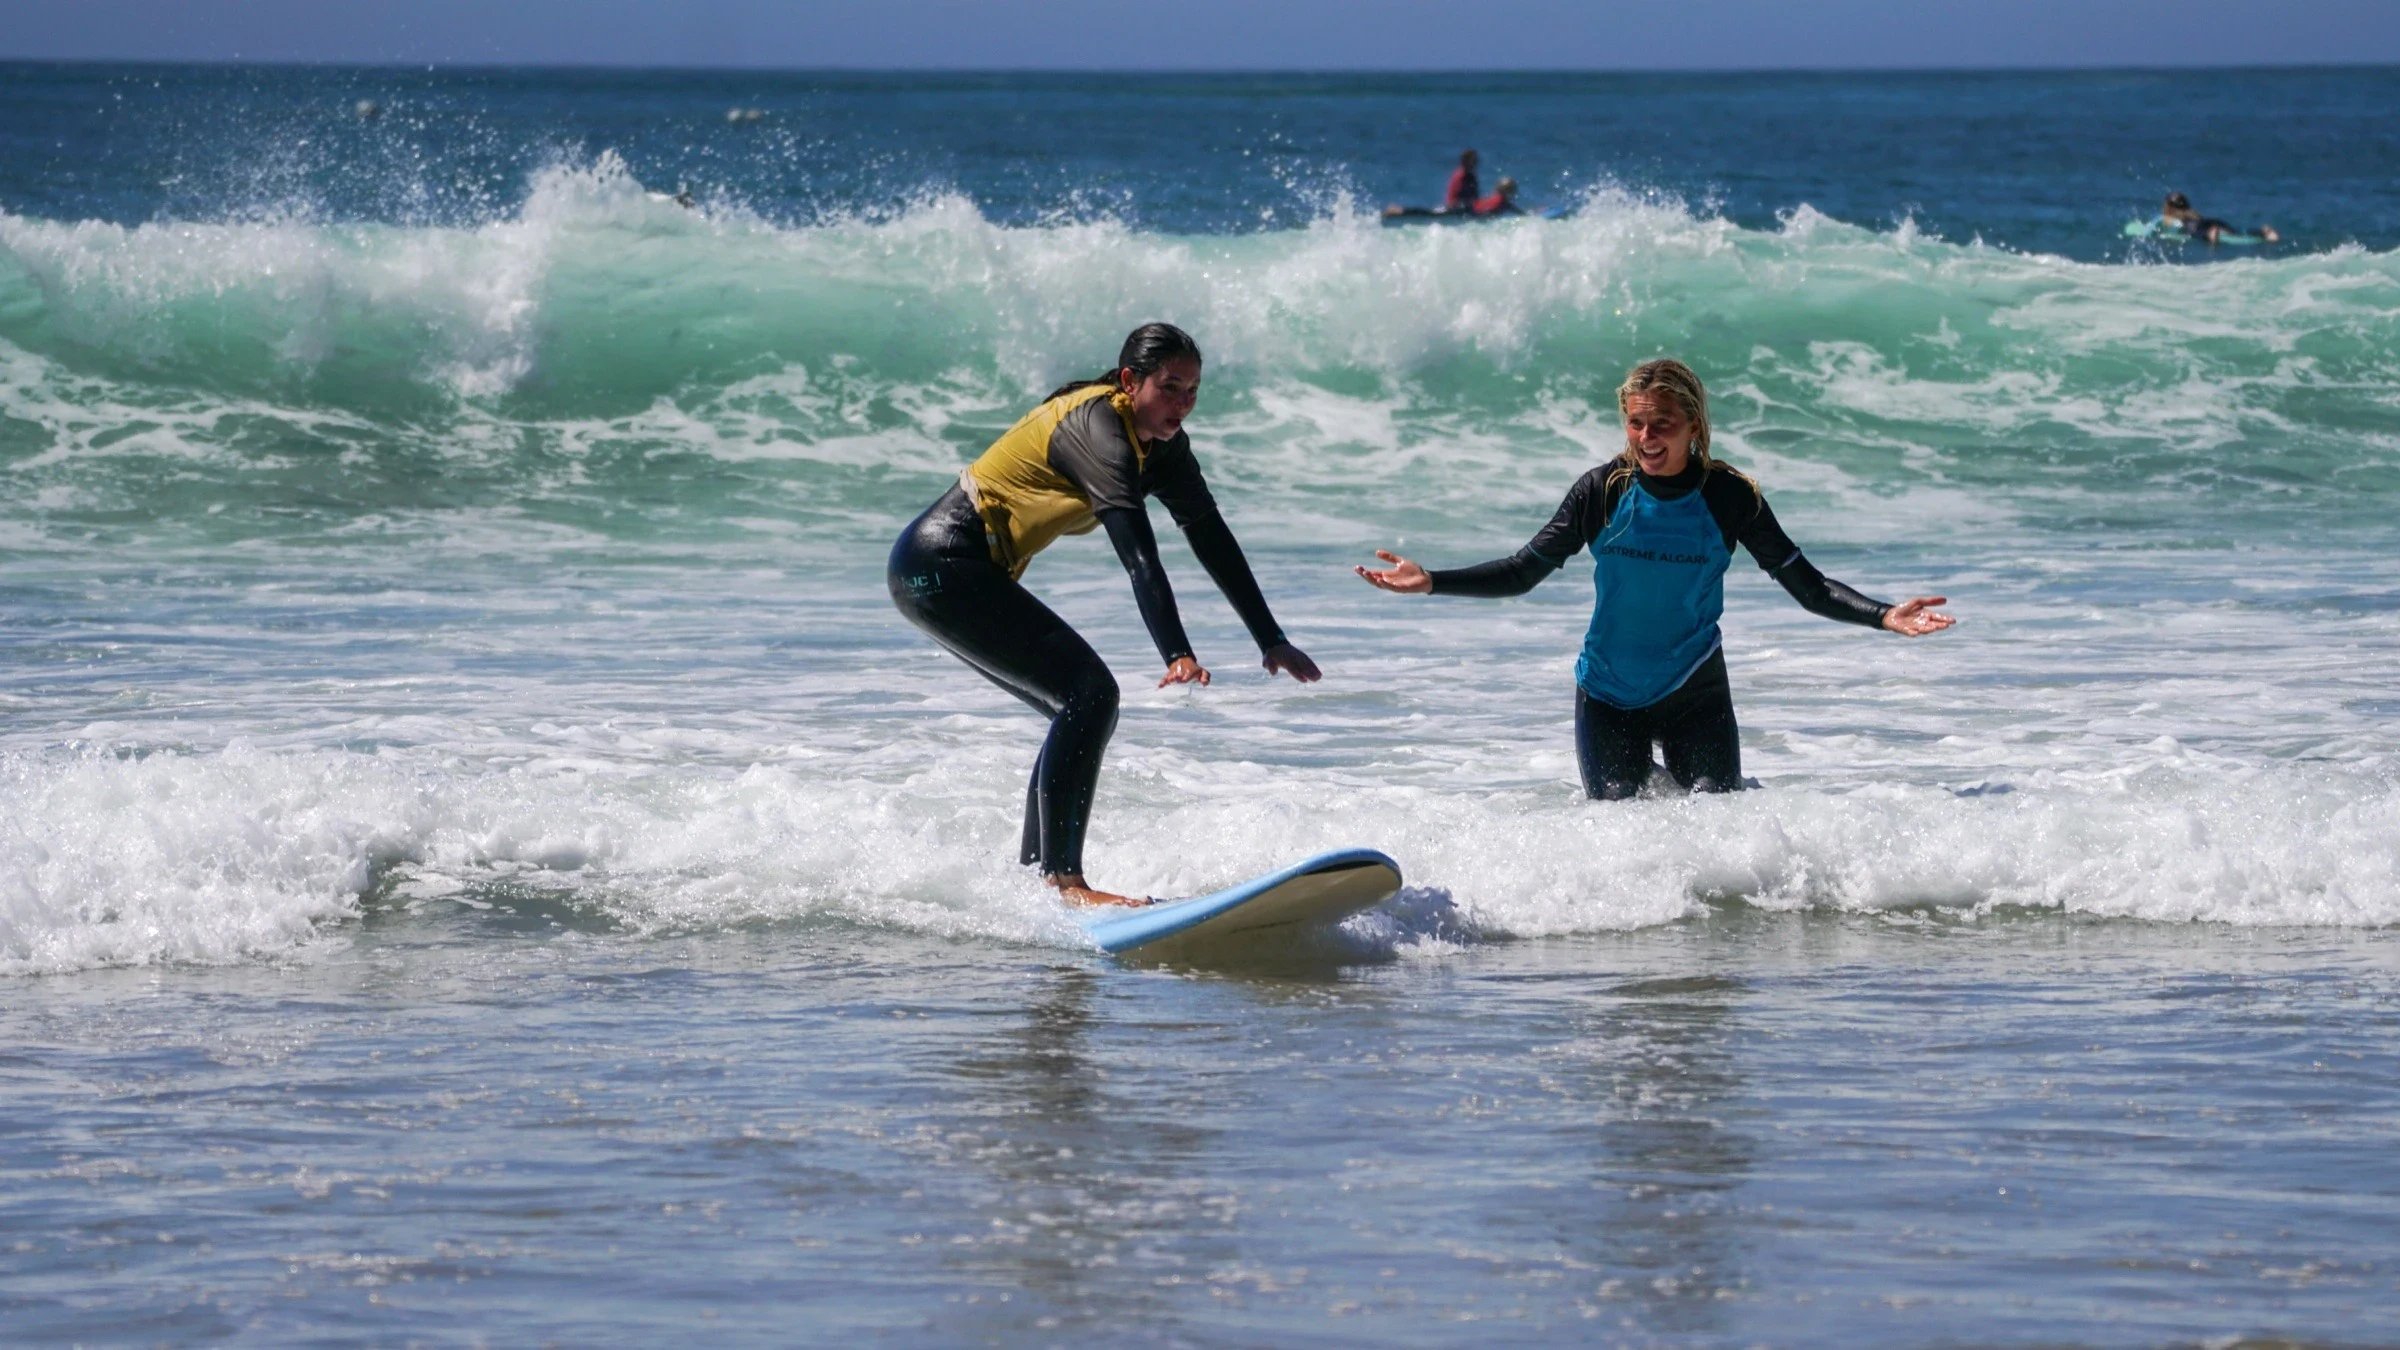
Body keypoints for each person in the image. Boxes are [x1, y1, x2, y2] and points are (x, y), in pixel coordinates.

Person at [1356, 359, 1954, 799]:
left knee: (1718, 824)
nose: (1647, 438)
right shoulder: (1602, 491)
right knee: (1621, 828)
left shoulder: (1728, 496)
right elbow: (1522, 571)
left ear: (1693, 425)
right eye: (1637, 424)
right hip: (1609, 693)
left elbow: (1806, 584)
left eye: (1662, 424)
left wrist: (1881, 614)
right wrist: (1432, 580)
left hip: (1696, 689)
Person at [889, 323, 1321, 906]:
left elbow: (1210, 535)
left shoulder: (1162, 447)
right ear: (1128, 381)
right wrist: (1177, 653)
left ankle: (1038, 882)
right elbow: (1141, 558)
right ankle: (1067, 884)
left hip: (948, 573)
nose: (1183, 404)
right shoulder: (1097, 430)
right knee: (1090, 694)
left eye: (1193, 391)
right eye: (1170, 388)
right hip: (938, 564)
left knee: (1074, 704)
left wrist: (1270, 639)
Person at [2162, 191, 2279, 244]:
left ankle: (2211, 234)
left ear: (2170, 207)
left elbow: (2173, 227)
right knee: (2237, 233)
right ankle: (2264, 232)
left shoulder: (2173, 217)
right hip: (2214, 221)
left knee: (2199, 234)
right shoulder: (2194, 213)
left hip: (2200, 227)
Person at [1443, 149, 1481, 213]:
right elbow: (1453, 198)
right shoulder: (1460, 175)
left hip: (1467, 208)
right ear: (1465, 161)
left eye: (1476, 160)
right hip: (1456, 208)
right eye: (1473, 160)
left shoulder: (1471, 176)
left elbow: (1475, 196)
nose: (1475, 163)